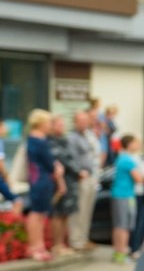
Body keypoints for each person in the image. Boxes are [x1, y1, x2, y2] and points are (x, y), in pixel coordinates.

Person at [25, 109, 60, 262]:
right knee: (37, 214)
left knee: (40, 214)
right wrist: (56, 168)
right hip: (41, 180)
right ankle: (36, 247)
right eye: (48, 122)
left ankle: (38, 246)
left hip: (39, 179)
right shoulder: (39, 140)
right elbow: (49, 163)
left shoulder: (34, 139)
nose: (50, 125)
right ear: (40, 123)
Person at [67, 110, 101, 251]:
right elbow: (70, 158)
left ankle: (84, 238)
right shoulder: (72, 137)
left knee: (87, 210)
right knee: (79, 210)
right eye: (80, 121)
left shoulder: (88, 135)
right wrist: (78, 172)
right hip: (81, 179)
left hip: (92, 176)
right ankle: (76, 240)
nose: (83, 123)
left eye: (85, 121)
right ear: (75, 122)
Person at [47, 114, 81, 257]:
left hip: (70, 181)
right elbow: (62, 160)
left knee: (66, 213)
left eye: (63, 124)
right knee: (58, 213)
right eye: (59, 124)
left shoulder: (64, 140)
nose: (62, 127)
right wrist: (78, 172)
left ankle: (63, 244)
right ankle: (57, 245)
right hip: (59, 182)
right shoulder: (50, 142)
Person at [110, 134, 143, 263]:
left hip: (118, 194)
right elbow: (138, 179)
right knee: (124, 226)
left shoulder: (121, 157)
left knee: (118, 225)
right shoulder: (128, 160)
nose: (138, 145)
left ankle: (117, 252)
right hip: (126, 195)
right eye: (135, 142)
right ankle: (122, 253)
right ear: (129, 145)